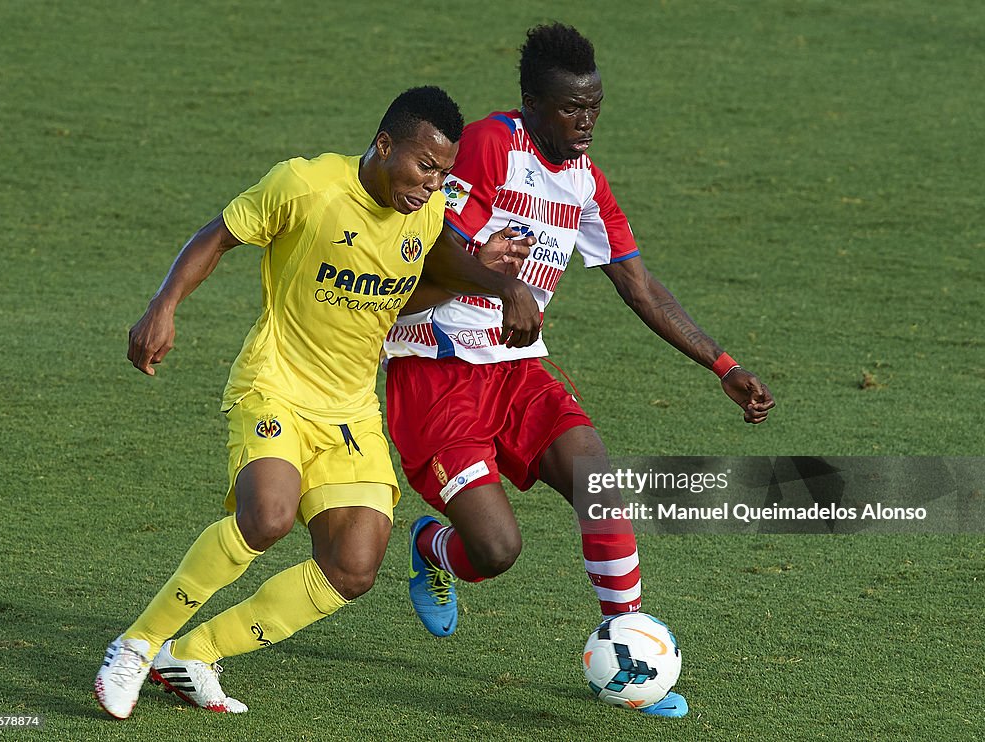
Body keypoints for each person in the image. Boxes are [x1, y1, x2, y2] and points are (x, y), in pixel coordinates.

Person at [93, 86, 540, 720]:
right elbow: (217, 236)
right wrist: (162, 307)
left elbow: (394, 297)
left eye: (443, 172)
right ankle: (136, 644)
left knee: (353, 568)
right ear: (384, 145)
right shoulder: (306, 186)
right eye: (423, 166)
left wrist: (477, 271)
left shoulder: (425, 212)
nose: (432, 184)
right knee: (268, 516)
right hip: (275, 383)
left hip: (351, 409)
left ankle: (192, 654)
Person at [384, 25, 776, 719]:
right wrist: (505, 288)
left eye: (594, 105)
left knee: (602, 485)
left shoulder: (586, 180)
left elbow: (640, 286)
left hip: (515, 372)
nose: (586, 120)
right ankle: (430, 546)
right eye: (571, 108)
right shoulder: (489, 143)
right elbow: (435, 242)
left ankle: (630, 658)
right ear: (532, 103)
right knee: (497, 550)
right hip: (437, 371)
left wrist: (723, 363)